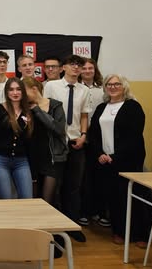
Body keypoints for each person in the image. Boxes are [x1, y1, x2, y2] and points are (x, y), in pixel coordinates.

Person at [88, 74, 150, 248]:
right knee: (114, 197)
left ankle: (140, 234)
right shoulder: (101, 107)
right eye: (109, 84)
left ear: (124, 87)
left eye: (117, 84)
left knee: (134, 196)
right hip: (105, 161)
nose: (113, 87)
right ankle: (119, 231)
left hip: (128, 160)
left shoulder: (133, 106)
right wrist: (100, 153)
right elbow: (94, 134)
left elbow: (134, 136)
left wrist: (115, 156)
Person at [44, 54, 91, 243]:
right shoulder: (52, 86)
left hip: (76, 141)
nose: (76, 68)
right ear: (63, 67)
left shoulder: (84, 90)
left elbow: (84, 115)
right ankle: (54, 227)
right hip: (56, 142)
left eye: (79, 65)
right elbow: (45, 112)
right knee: (54, 187)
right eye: (72, 64)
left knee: (74, 186)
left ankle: (72, 225)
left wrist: (84, 135)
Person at [0, 78, 33, 199]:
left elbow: (31, 142)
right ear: (6, 92)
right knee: (6, 198)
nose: (15, 93)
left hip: (22, 161)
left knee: (27, 197)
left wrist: (33, 167)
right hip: (1, 160)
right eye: (11, 90)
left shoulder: (29, 111)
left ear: (23, 91)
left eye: (18, 89)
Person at [22, 77, 67, 205]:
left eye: (24, 92)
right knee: (33, 198)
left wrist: (37, 110)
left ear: (34, 89)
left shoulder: (55, 105)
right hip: (32, 157)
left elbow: (58, 129)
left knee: (48, 199)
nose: (22, 96)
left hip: (52, 157)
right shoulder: (25, 108)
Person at [79, 57, 108, 227]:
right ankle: (83, 211)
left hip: (99, 138)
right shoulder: (76, 87)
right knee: (83, 177)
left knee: (99, 176)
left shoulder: (102, 89)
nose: (87, 71)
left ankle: (98, 211)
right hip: (82, 137)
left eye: (90, 68)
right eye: (84, 68)